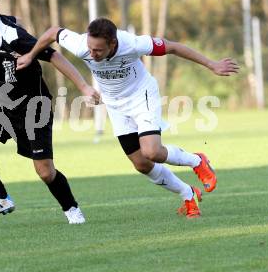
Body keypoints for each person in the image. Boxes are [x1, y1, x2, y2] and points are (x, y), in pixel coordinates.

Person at [17, 17, 239, 218]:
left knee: (152, 151)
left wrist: (212, 64)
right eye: (90, 48)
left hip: (142, 95)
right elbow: (52, 32)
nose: (91, 54)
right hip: (115, 104)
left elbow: (172, 47)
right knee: (142, 164)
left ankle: (197, 161)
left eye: (98, 50)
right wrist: (30, 54)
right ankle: (188, 194)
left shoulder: (132, 44)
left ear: (113, 44)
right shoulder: (80, 44)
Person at [0, 0, 100, 224]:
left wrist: (84, 87)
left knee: (45, 171)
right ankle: (0, 197)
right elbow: (12, 20)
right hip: (3, 103)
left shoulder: (15, 37)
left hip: (35, 107)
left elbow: (54, 57)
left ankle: (71, 209)